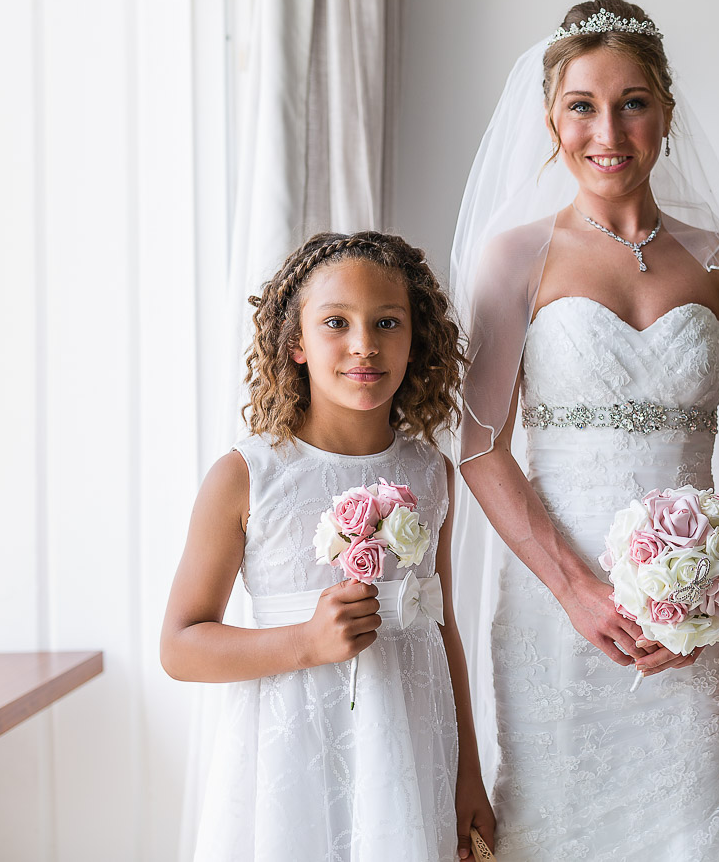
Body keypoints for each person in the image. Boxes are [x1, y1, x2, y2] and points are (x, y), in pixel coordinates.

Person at [451, 0, 719, 860]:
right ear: (551, 118)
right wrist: (575, 588)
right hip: (556, 602)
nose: (609, 130)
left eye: (632, 102)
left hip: (692, 611)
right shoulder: (516, 254)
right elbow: (479, 444)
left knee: (695, 820)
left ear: (666, 113)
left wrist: (703, 594)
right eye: (582, 106)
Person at [161, 232, 496, 861]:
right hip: (292, 755)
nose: (363, 345)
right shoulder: (249, 474)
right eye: (335, 322)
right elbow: (180, 646)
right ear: (295, 343)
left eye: (387, 322)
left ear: (415, 339)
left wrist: (467, 774)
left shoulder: (432, 474)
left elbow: (441, 624)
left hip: (407, 746)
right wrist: (306, 642)